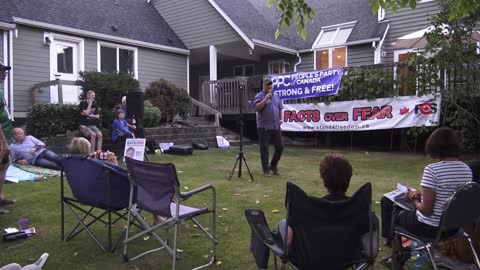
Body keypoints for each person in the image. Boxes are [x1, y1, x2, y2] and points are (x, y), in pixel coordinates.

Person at [380, 127, 472, 248]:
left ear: (434, 146)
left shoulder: (432, 170)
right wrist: (422, 196)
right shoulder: (466, 169)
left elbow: (427, 210)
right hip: (453, 227)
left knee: (395, 211)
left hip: (430, 228)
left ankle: (393, 245)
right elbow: (448, 196)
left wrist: (414, 200)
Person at [254, 76, 284, 176]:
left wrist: (280, 119)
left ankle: (273, 166)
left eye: (270, 84)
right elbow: (257, 108)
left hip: (275, 126)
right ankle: (266, 170)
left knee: (280, 146)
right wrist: (266, 99)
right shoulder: (259, 95)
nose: (269, 86)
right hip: (263, 126)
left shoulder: (276, 96)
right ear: (263, 85)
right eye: (267, 84)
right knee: (264, 148)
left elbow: (280, 108)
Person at [0, 62, 14, 214]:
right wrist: (3, 143)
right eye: (2, 71)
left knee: (3, 166)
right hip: (1, 140)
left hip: (5, 136)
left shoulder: (0, 90)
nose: (5, 74)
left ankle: (1, 197)